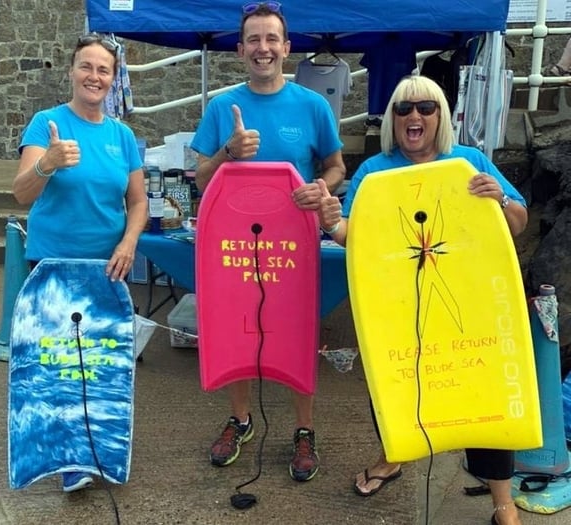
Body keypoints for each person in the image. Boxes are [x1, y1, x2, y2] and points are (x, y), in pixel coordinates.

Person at [317, 75, 527, 525]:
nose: (414, 116)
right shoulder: (375, 171)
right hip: (396, 307)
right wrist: (331, 220)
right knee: (394, 386)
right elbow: (353, 237)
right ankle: (393, 456)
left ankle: (503, 502)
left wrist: (501, 201)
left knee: (481, 395)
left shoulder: (469, 162)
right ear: (393, 118)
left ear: (440, 116)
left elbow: (517, 223)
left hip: (469, 305)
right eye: (404, 109)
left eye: (426, 108)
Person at [191, 2, 346, 482]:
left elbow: (337, 167)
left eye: (271, 39)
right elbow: (199, 180)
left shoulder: (312, 105)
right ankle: (241, 420)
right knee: (238, 325)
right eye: (254, 40)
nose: (263, 48)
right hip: (234, 245)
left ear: (287, 47)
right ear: (240, 50)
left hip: (296, 244)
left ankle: (304, 431)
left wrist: (323, 189)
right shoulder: (221, 108)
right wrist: (226, 153)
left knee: (299, 329)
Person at [12, 32, 147, 492]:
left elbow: (138, 203)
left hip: (105, 270)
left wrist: (129, 242)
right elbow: (21, 193)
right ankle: (67, 457)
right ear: (71, 71)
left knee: (99, 364)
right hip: (52, 267)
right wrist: (47, 163)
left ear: (114, 79)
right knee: (57, 364)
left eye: (103, 69)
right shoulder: (46, 123)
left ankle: (98, 445)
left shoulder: (122, 136)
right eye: (86, 67)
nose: (94, 76)